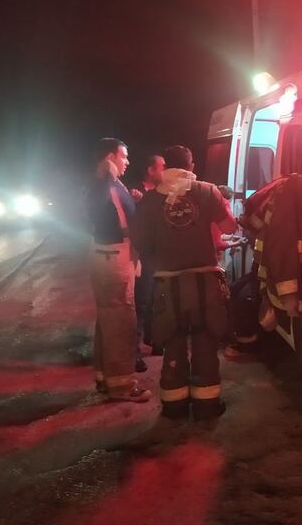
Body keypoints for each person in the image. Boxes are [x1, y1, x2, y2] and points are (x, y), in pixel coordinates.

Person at [131, 145, 236, 420]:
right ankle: (207, 407)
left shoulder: (150, 200)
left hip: (168, 286)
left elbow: (141, 243)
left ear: (165, 167)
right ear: (191, 165)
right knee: (205, 344)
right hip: (204, 284)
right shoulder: (208, 191)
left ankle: (174, 408)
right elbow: (229, 227)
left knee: (173, 346)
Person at [85, 138, 151, 403]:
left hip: (106, 255)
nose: (127, 162)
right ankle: (123, 386)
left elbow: (115, 212)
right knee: (121, 321)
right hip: (114, 257)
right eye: (123, 156)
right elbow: (109, 215)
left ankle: (105, 378)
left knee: (108, 320)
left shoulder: (104, 184)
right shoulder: (104, 183)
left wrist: (132, 199)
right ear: (110, 157)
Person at [130, 155, 166, 365]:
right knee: (141, 302)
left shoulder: (162, 192)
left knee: (158, 300)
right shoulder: (134, 193)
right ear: (151, 170)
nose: (166, 170)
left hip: (159, 256)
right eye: (162, 167)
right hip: (142, 256)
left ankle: (155, 340)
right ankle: (133, 351)